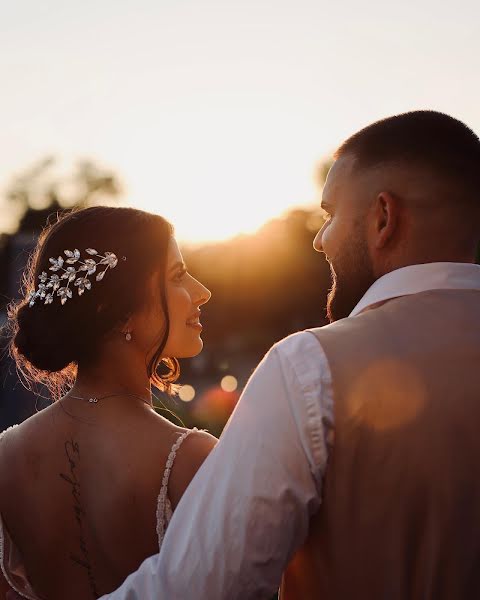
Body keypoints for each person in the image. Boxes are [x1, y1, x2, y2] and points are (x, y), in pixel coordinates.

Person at [102, 110, 480, 600]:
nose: (320, 240)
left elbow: (198, 588)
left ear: (384, 217)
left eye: (329, 216)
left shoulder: (310, 366)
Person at [0, 206, 216, 599]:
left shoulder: (6, 456)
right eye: (178, 276)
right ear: (117, 313)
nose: (203, 291)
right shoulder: (191, 459)